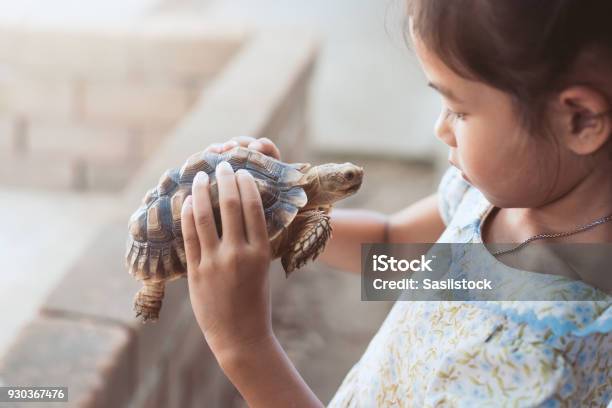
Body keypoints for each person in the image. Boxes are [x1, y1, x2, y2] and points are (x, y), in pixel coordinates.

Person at [180, 1, 612, 406]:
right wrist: (283, 209)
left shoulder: (535, 365)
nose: (440, 128)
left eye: (459, 110)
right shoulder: (491, 200)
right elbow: (391, 250)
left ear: (580, 119)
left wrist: (244, 346)